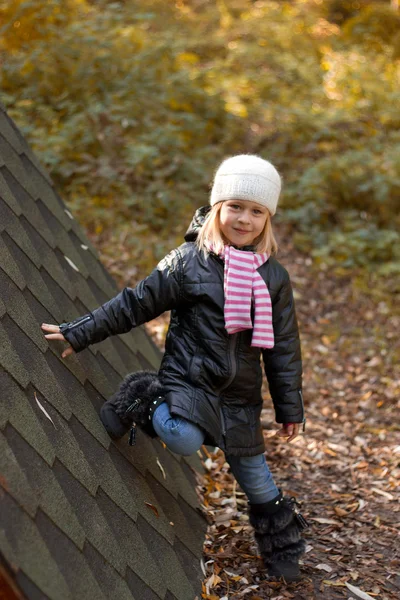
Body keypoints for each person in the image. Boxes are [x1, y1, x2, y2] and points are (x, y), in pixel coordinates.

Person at [41, 154, 308, 583]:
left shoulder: (273, 278)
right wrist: (79, 332)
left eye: (256, 211)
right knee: (183, 439)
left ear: (268, 219)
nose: (244, 219)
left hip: (238, 397)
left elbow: (284, 349)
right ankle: (143, 396)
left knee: (258, 481)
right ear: (217, 207)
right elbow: (135, 303)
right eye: (235, 206)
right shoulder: (188, 261)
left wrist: (289, 407)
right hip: (188, 380)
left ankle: (282, 551)